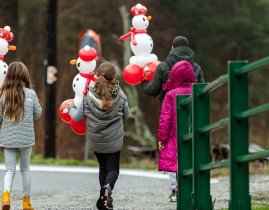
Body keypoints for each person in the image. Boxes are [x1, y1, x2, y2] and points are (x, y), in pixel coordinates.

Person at [142, 36, 204, 202]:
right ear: (188, 48)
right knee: (190, 149)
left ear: (172, 47)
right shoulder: (196, 67)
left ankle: (175, 189)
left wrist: (143, 81)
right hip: (192, 115)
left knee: (171, 151)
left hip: (169, 114)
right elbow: (202, 92)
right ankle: (190, 186)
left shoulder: (163, 66)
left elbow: (152, 90)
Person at [69, 62, 130, 210]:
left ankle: (105, 199)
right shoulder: (120, 95)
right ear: (114, 77)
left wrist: (70, 108)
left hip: (96, 140)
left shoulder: (88, 95)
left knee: (103, 167)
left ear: (97, 76)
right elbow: (126, 116)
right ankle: (107, 188)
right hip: (114, 140)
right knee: (113, 169)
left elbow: (77, 117)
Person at [0, 61, 42, 210]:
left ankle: (6, 197)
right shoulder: (31, 94)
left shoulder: (2, 94)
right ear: (25, 75)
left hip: (8, 139)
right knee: (25, 169)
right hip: (26, 139)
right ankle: (26, 203)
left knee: (9, 170)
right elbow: (38, 114)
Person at [157, 60, 196, 202]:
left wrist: (162, 138)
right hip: (193, 132)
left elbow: (165, 119)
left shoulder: (170, 94)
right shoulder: (197, 92)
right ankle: (192, 189)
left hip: (174, 134)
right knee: (192, 159)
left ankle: (175, 191)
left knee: (174, 162)